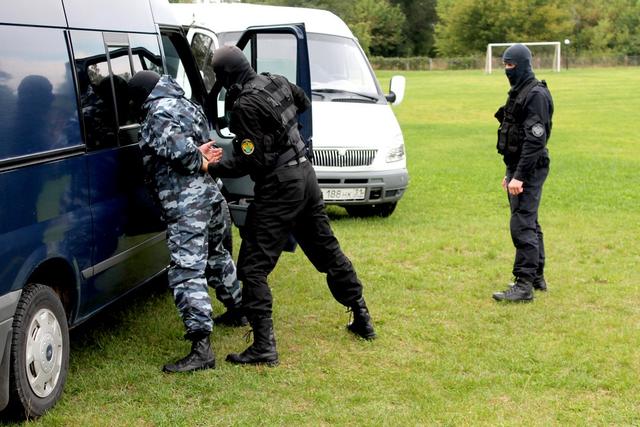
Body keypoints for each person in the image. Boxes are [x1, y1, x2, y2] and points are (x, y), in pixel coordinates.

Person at [204, 46, 376, 366]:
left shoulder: (243, 104)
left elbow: (249, 160)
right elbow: (304, 103)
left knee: (253, 266)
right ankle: (362, 316)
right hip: (305, 176)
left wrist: (209, 167)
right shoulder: (276, 80)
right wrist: (282, 132)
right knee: (327, 250)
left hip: (280, 186)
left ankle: (263, 347)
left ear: (226, 76)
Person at [128, 70, 245, 373]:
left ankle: (201, 348)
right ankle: (238, 309)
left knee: (187, 271)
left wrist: (197, 159)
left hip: (185, 202)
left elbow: (184, 154)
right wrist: (200, 155)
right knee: (217, 255)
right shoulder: (186, 104)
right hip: (211, 195)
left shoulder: (157, 112)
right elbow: (204, 144)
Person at [492, 44, 554, 302]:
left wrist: (519, 176)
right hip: (518, 165)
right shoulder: (519, 91)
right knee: (529, 220)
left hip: (529, 166)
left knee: (522, 224)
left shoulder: (536, 94)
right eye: (505, 65)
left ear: (523, 64)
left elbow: (535, 141)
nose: (507, 70)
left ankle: (524, 284)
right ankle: (537, 275)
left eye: (511, 65)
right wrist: (511, 171)